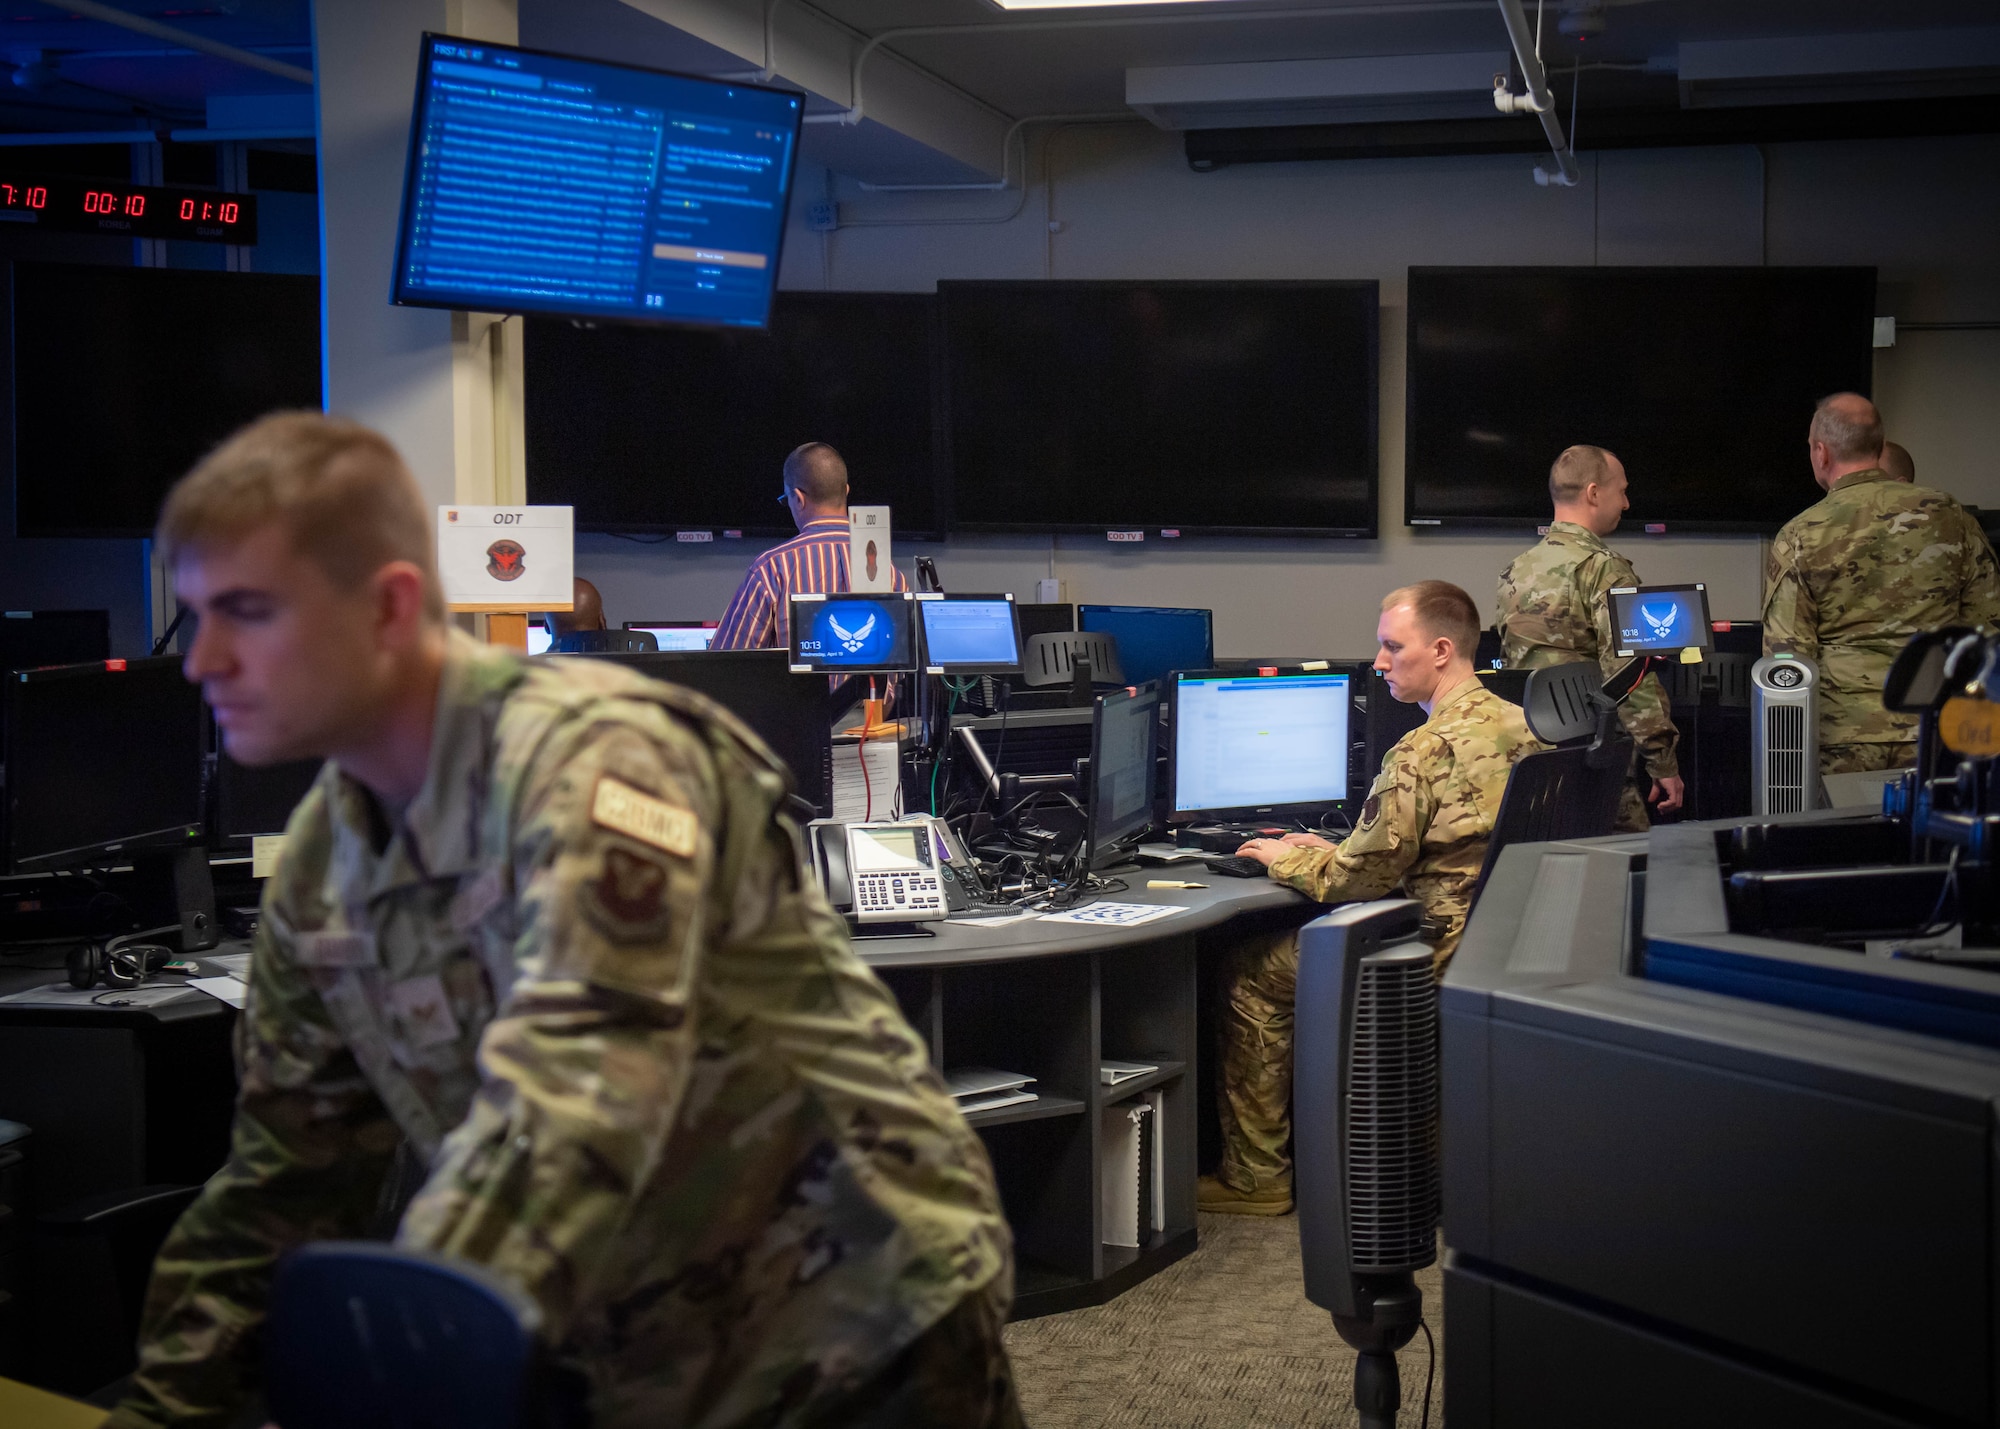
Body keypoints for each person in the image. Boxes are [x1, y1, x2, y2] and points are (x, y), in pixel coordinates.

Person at [108, 414, 1020, 1429]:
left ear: (387, 606)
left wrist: (408, 1363)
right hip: (628, 1348)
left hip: (851, 1321)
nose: (205, 660)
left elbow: (581, 1093)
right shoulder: (329, 861)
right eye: (197, 615)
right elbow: (282, 1181)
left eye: (247, 612)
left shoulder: (592, 763)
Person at [1197, 581, 1543, 1216]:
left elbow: (1355, 880)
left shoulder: (1421, 749)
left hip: (1431, 950)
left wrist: (1285, 855)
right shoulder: (1523, 727)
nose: (1379, 662)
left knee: (1248, 973)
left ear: (1441, 650)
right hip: (1503, 943)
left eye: (1392, 646)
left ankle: (1258, 1179)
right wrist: (1331, 845)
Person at [1765, 393, 2000, 775]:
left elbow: (1789, 659)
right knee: (1932, 832)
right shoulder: (1950, 515)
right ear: (1877, 445)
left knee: (1851, 834)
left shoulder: (1800, 534)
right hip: (1936, 728)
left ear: (1822, 453)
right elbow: (1986, 628)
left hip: (1844, 732)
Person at [1495, 445, 1683, 832]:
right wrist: (1662, 760)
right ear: (1594, 493)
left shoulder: (1516, 569)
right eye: (1622, 491)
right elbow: (1631, 676)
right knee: (1622, 872)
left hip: (1529, 762)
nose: (1627, 503)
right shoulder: (1605, 570)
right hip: (1594, 760)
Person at [713, 442, 909, 652]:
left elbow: (727, 662)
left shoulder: (771, 569)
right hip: (872, 688)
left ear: (798, 499)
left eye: (786, 499)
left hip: (796, 686)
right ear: (846, 490)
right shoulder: (890, 573)